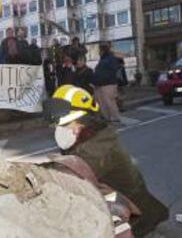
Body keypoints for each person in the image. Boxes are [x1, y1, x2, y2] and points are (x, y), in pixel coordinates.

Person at [43, 85, 169, 237]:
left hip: (137, 223)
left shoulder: (98, 147)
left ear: (82, 122)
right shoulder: (86, 140)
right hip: (117, 214)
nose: (59, 131)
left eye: (64, 125)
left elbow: (68, 176)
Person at [93, 42, 121, 123]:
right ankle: (109, 117)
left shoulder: (107, 59)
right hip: (105, 83)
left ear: (102, 50)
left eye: (99, 50)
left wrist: (97, 80)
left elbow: (105, 72)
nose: (98, 52)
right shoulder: (107, 58)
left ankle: (113, 117)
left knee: (108, 101)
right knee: (105, 101)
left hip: (107, 84)